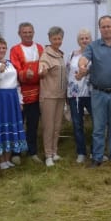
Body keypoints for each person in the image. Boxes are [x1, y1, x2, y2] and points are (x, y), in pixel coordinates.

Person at [78, 15, 111, 168]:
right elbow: (84, 59)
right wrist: (82, 66)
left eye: (108, 26)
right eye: (103, 27)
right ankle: (97, 157)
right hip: (98, 93)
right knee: (98, 128)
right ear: (99, 29)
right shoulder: (93, 46)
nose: (106, 29)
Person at [0, 37, 27, 169]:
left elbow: (16, 83)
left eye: (3, 48)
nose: (1, 50)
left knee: (9, 127)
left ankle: (7, 158)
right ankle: (1, 160)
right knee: (0, 126)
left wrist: (19, 100)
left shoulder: (10, 63)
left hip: (11, 97)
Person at [10, 22, 44, 164]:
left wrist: (38, 73)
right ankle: (16, 152)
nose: (28, 34)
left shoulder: (40, 48)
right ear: (19, 34)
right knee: (18, 123)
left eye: (30, 32)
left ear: (34, 32)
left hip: (37, 92)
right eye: (25, 32)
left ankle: (32, 151)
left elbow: (44, 65)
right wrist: (24, 73)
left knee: (33, 124)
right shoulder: (15, 50)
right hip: (21, 93)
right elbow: (15, 69)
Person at [39, 26, 67, 167]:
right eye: (54, 38)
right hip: (49, 96)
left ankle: (54, 152)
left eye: (59, 38)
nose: (57, 41)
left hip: (60, 96)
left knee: (57, 126)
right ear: (49, 39)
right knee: (48, 127)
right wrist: (42, 71)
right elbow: (42, 69)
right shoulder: (46, 55)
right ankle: (48, 155)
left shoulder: (60, 54)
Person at [67, 28, 93, 163]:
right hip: (75, 94)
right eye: (82, 38)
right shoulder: (72, 54)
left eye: (87, 38)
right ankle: (81, 152)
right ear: (78, 41)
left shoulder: (94, 54)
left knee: (97, 123)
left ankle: (96, 151)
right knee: (78, 124)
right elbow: (67, 73)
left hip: (91, 93)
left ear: (91, 40)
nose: (84, 40)